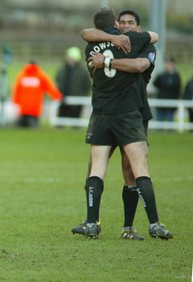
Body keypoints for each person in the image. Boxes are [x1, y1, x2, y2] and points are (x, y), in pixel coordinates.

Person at [71, 7, 173, 240]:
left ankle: (125, 226)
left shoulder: (139, 44)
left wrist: (107, 60)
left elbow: (140, 64)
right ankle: (99, 221)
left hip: (126, 112)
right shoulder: (127, 40)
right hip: (124, 114)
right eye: (122, 22)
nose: (126, 25)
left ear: (137, 27)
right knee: (130, 169)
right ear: (116, 24)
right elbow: (87, 32)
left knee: (125, 170)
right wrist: (115, 39)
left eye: (130, 22)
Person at [12, 60, 63, 128]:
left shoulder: (21, 75)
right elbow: (50, 88)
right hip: (34, 110)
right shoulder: (41, 76)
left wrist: (15, 102)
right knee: (33, 131)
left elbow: (16, 90)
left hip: (23, 109)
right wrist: (59, 97)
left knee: (19, 130)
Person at [55, 46, 91, 118]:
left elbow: (87, 85)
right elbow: (57, 80)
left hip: (77, 102)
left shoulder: (82, 71)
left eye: (72, 58)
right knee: (61, 121)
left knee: (75, 121)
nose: (70, 59)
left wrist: (82, 96)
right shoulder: (62, 69)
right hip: (63, 99)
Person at [153, 56, 181, 122]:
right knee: (159, 122)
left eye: (169, 63)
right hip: (160, 103)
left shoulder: (176, 76)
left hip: (171, 104)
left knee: (170, 121)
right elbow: (155, 83)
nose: (168, 65)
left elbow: (178, 88)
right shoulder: (161, 75)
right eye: (166, 63)